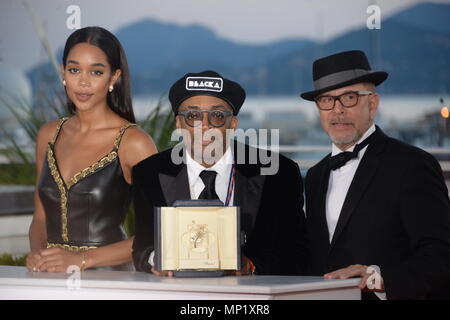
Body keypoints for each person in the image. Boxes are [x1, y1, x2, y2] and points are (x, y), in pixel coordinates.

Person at [300, 50, 450, 299]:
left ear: (372, 104)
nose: (337, 110)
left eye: (349, 97)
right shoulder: (316, 176)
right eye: (327, 100)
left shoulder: (413, 164)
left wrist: (379, 278)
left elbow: (440, 254)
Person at [132, 70, 307, 276]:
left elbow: (297, 252)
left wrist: (251, 266)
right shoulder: (149, 172)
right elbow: (142, 248)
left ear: (232, 124)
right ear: (178, 124)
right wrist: (158, 260)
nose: (205, 125)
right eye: (193, 115)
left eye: (216, 115)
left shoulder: (278, 172)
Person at [26, 26, 157, 272]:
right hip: (50, 278)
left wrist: (82, 260)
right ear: (63, 72)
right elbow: (40, 218)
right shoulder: (48, 135)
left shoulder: (133, 142)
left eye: (96, 72)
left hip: (110, 281)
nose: (83, 82)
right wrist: (38, 253)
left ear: (114, 78)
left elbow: (159, 233)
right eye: (74, 70)